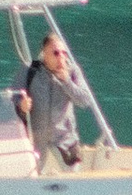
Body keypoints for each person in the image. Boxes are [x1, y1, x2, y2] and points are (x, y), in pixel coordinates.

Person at [22, 28, 94, 172]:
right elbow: (12, 98)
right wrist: (21, 106)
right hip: (37, 139)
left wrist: (67, 81)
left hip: (64, 139)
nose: (61, 57)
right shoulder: (30, 71)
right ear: (44, 53)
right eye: (55, 53)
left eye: (63, 53)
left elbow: (85, 100)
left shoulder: (72, 71)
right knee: (32, 176)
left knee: (73, 177)